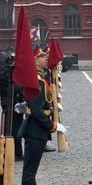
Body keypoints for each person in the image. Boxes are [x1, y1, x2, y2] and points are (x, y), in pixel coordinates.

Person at [18, 44, 66, 185]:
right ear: (34, 59)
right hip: (35, 131)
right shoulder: (36, 81)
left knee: (31, 171)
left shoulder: (39, 78)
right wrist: (52, 125)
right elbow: (36, 110)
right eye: (42, 56)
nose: (46, 58)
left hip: (37, 131)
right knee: (29, 173)